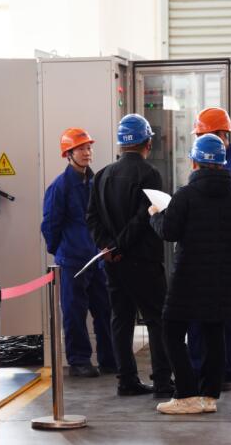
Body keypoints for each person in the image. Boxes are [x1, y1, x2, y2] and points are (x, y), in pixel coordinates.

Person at [149, 134, 231, 415]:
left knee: (171, 330)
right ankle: (209, 397)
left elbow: (169, 232)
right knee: (214, 333)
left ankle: (187, 394)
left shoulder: (186, 195)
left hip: (188, 277)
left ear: (194, 162)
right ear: (222, 163)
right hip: (222, 278)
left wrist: (155, 214)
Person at [87, 113, 172, 397]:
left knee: (120, 320)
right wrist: (120, 245)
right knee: (156, 320)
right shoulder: (150, 174)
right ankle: (162, 382)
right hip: (144, 261)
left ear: (121, 143)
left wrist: (108, 247)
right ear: (147, 142)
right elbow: (145, 216)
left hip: (113, 263)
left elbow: (92, 217)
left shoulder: (101, 175)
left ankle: (126, 380)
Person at [188, 107, 231, 391]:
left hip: (230, 250)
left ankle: (229, 371)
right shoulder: (205, 160)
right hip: (208, 249)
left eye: (203, 135)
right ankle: (201, 368)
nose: (200, 141)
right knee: (202, 309)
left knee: (230, 310)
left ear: (223, 135)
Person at [41, 127, 116, 377]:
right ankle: (79, 360)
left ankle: (109, 359)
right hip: (72, 260)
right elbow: (50, 225)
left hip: (96, 258)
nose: (87, 152)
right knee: (74, 311)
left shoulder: (95, 182)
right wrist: (61, 252)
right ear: (68, 154)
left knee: (104, 309)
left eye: (88, 148)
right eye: (81, 149)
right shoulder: (60, 187)